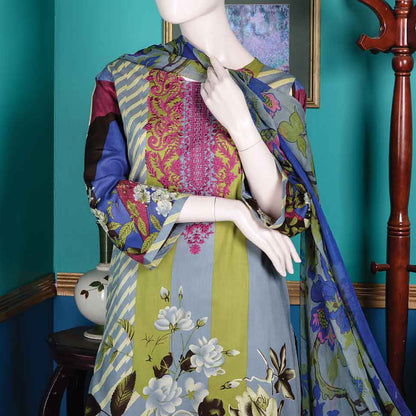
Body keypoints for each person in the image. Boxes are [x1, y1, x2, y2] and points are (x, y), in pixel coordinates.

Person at [83, 1, 412, 415]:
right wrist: (234, 211)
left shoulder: (279, 91)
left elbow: (289, 213)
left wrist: (242, 125)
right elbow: (106, 196)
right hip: (144, 315)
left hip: (250, 311)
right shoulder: (123, 77)